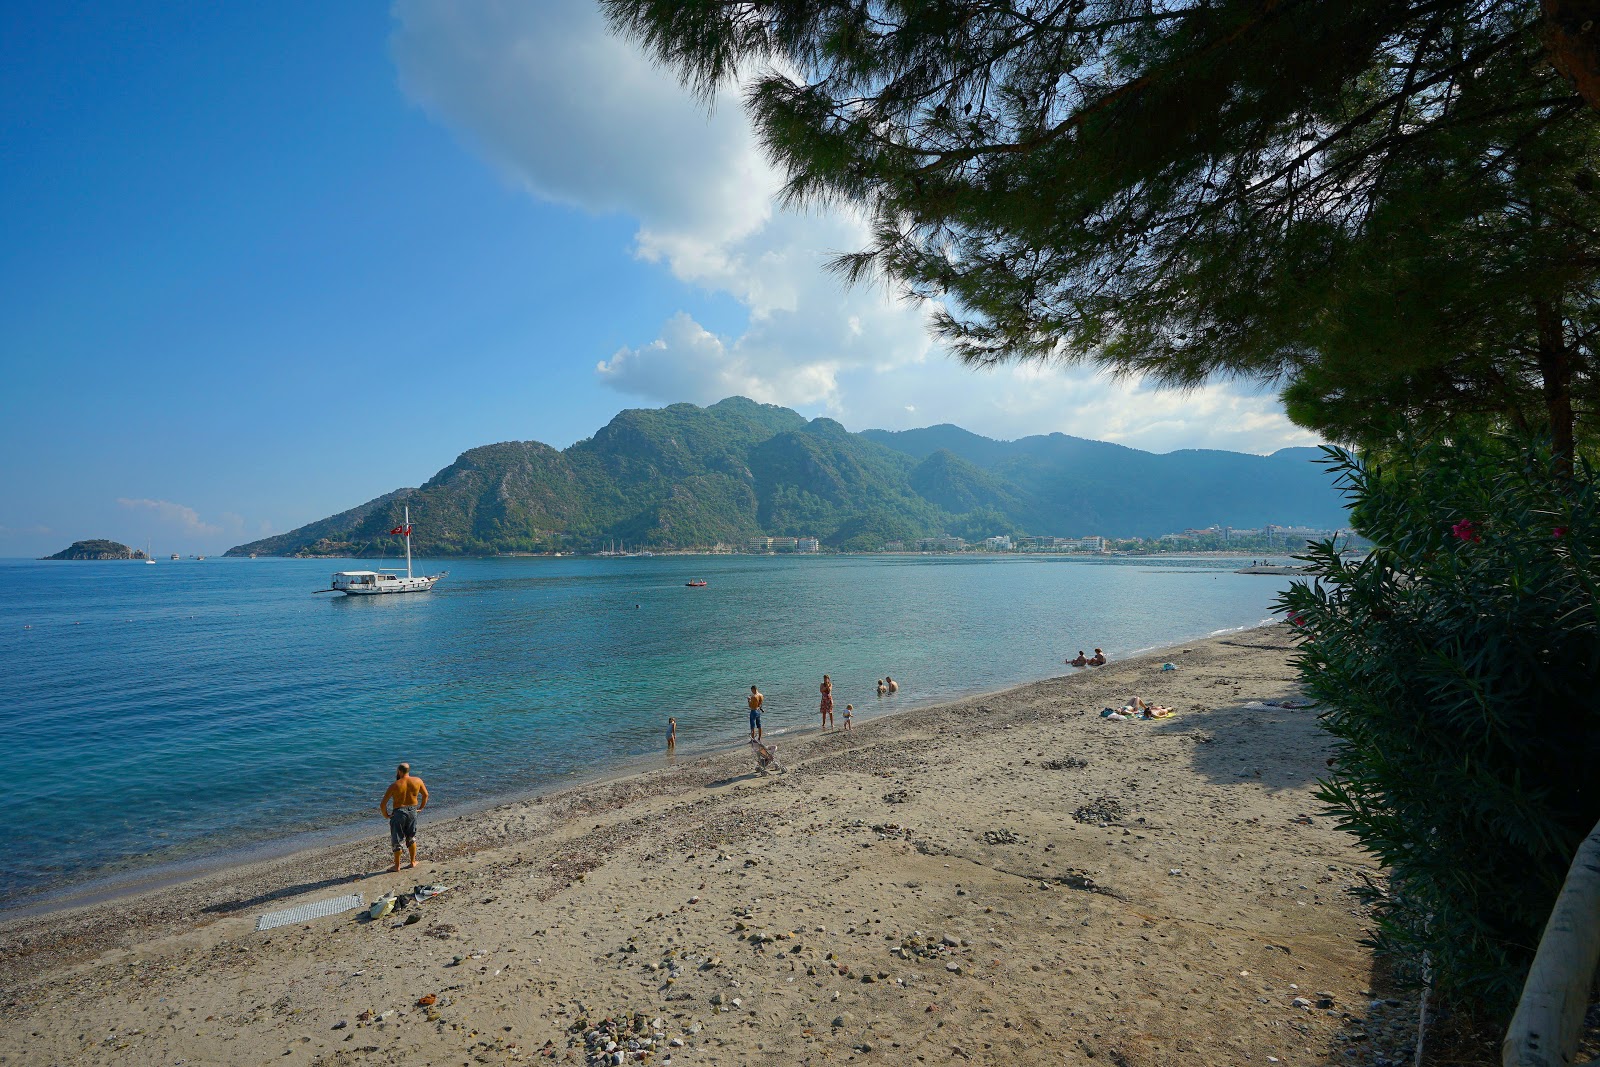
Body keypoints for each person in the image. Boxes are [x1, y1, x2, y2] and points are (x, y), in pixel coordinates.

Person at [379, 762, 429, 873]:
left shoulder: (395, 785)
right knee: (411, 837)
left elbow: (383, 804)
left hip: (399, 812)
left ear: (399, 772)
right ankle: (412, 862)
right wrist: (420, 808)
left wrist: (386, 815)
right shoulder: (417, 781)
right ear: (409, 771)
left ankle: (397, 866)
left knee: (397, 840)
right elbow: (425, 795)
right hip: (412, 810)